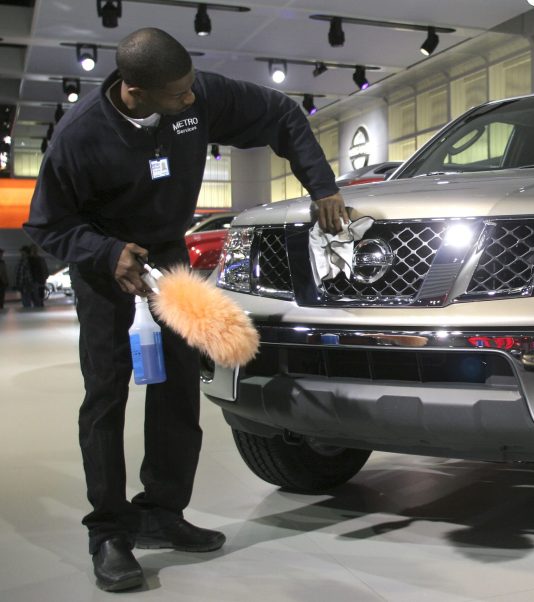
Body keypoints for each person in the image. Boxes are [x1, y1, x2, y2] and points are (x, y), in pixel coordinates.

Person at [24, 27, 347, 592]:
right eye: (176, 94)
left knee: (177, 386)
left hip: (168, 260)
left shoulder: (195, 98)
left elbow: (281, 115)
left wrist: (322, 186)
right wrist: (105, 253)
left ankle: (162, 512)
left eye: (190, 88)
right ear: (134, 91)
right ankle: (109, 532)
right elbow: (48, 224)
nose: (190, 100)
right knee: (106, 392)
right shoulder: (78, 137)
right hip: (107, 266)